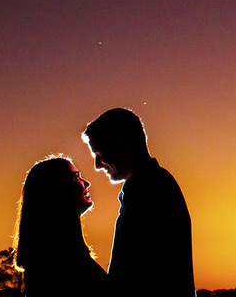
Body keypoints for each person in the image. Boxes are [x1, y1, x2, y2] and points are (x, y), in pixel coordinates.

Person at [83, 108, 196, 297]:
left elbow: (133, 278)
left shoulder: (153, 191)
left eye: (100, 153)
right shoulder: (143, 189)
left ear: (122, 144)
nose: (97, 165)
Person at [14, 155, 110, 297]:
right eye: (76, 177)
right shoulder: (58, 261)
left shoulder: (48, 257)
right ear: (57, 190)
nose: (87, 183)